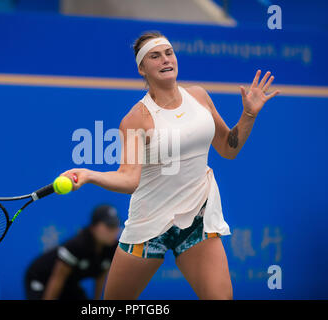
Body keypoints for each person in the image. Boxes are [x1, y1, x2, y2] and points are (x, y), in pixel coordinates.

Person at [60, 31, 280, 300]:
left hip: (197, 219)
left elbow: (228, 148)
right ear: (142, 68)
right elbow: (129, 179)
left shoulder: (199, 97)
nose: (165, 60)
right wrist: (90, 174)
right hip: (149, 225)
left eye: (169, 53)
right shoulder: (136, 118)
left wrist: (248, 115)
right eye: (155, 56)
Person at [24, 204, 120, 300]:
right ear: (94, 227)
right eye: (109, 226)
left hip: (68, 282)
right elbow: (57, 279)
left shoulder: (113, 248)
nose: (114, 231)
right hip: (41, 277)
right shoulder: (78, 245)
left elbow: (101, 276)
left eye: (116, 226)